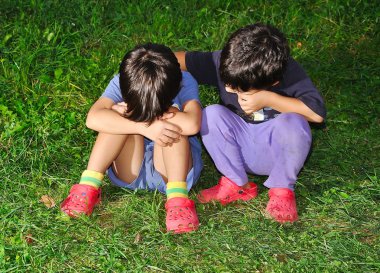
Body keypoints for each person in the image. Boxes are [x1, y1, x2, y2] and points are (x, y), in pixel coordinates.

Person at [175, 23, 326, 223]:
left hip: (278, 153)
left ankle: (282, 190)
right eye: (227, 82)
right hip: (239, 148)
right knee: (211, 114)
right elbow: (182, 60)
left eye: (239, 88)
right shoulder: (225, 61)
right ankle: (236, 184)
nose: (229, 88)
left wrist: (268, 100)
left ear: (273, 82)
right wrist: (148, 59)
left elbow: (317, 114)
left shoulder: (286, 71)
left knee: (295, 123)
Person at [61, 43, 203, 233]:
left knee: (173, 127)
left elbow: (193, 124)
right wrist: (145, 126)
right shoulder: (128, 79)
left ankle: (178, 199)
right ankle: (87, 187)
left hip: (172, 172)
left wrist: (147, 119)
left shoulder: (185, 80)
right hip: (131, 169)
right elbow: (93, 118)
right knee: (112, 120)